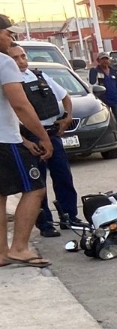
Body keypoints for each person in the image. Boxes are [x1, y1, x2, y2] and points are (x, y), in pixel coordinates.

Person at [6, 43, 79, 238]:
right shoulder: (9, 81)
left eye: (23, 56)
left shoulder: (37, 76)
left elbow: (65, 97)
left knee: (63, 177)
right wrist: (25, 141)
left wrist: (67, 118)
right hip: (29, 138)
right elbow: (9, 118)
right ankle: (45, 224)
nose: (21, 61)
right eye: (15, 58)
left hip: (51, 134)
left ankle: (69, 217)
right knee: (38, 185)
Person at [0, 14, 54, 268]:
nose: (11, 38)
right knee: (35, 188)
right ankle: (19, 247)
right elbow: (21, 105)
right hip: (4, 140)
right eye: (8, 33)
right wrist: (44, 137)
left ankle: (1, 252)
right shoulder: (4, 62)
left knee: (0, 196)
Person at [89, 52, 117, 152]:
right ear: (98, 61)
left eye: (106, 59)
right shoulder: (95, 71)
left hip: (115, 99)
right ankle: (110, 141)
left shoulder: (114, 71)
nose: (105, 61)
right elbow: (92, 84)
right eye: (102, 59)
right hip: (103, 101)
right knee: (107, 122)